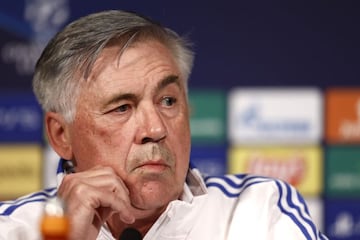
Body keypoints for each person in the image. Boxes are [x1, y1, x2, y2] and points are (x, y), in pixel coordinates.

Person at [0, 10, 328, 240]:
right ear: (61, 135)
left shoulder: (258, 209)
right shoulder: (11, 229)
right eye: (122, 108)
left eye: (168, 101)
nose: (155, 129)